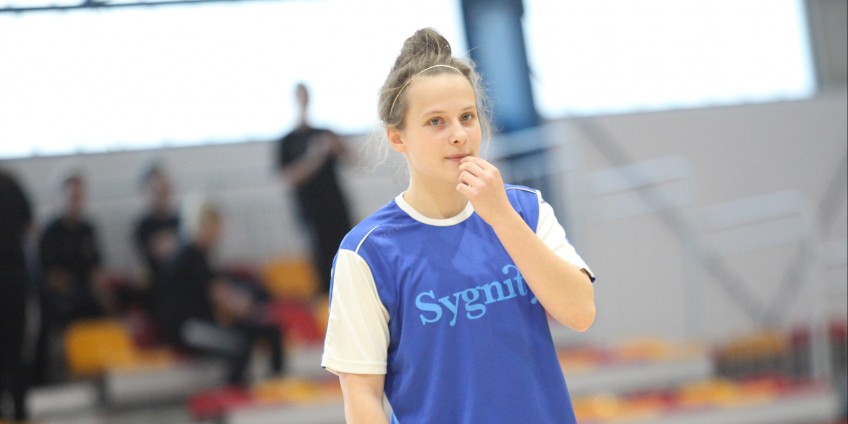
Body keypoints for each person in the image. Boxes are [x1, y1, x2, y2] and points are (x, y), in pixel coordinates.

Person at [321, 28, 596, 424]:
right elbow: (362, 396)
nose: (458, 135)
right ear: (398, 138)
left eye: (467, 117)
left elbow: (580, 312)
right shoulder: (367, 252)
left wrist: (501, 216)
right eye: (436, 121)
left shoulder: (526, 209)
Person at [159, 196, 284, 386]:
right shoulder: (188, 257)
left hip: (207, 320)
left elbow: (219, 291)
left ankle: (277, 385)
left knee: (268, 331)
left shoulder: (201, 256)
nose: (220, 232)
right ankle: (235, 393)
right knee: (239, 345)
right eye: (217, 226)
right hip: (189, 328)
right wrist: (245, 308)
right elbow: (218, 295)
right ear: (204, 226)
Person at [275, 82, 353, 295]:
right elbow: (289, 178)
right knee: (323, 264)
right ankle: (328, 304)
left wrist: (337, 146)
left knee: (348, 256)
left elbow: (354, 160)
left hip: (336, 207)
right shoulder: (287, 141)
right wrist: (315, 157)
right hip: (312, 213)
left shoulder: (324, 133)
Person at [35, 171, 110, 384]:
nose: (75, 202)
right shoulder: (51, 232)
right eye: (71, 197)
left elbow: (96, 268)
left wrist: (100, 291)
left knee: (101, 303)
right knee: (68, 305)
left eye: (79, 196)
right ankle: (70, 367)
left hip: (85, 291)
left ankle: (98, 365)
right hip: (61, 296)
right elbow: (52, 275)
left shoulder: (88, 229)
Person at [0, 167, 33, 422]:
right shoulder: (11, 183)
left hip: (12, 277)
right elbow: (29, 226)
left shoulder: (10, 183)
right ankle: (20, 411)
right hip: (15, 278)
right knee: (15, 350)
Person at [131, 162, 180, 319]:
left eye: (164, 189)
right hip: (158, 286)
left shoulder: (180, 221)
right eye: (156, 190)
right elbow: (150, 260)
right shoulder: (143, 226)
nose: (161, 195)